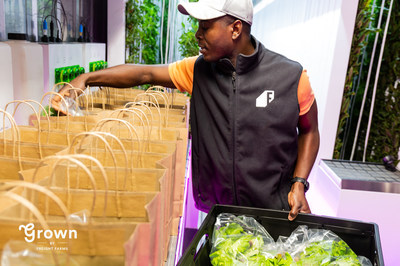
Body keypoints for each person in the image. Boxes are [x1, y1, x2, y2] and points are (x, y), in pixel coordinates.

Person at [52, 0, 319, 221]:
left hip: (275, 213)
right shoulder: (198, 71)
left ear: (236, 28)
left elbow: (310, 131)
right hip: (220, 214)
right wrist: (85, 79)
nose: (197, 34)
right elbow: (144, 73)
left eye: (206, 26)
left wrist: (299, 183)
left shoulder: (292, 77)